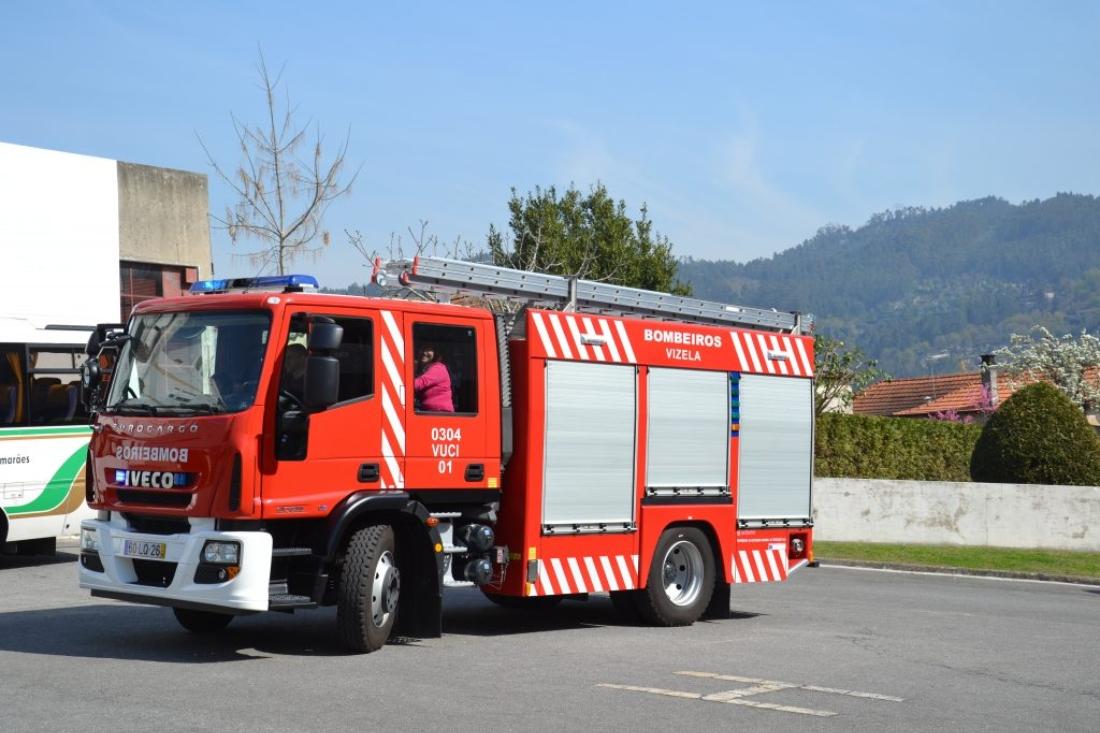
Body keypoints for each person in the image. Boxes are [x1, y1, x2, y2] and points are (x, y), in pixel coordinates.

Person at [414, 343, 454, 412]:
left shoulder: (438, 368)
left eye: (428, 350)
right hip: (430, 411)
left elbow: (419, 383)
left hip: (440, 413)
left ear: (436, 353)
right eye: (422, 349)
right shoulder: (426, 369)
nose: (424, 352)